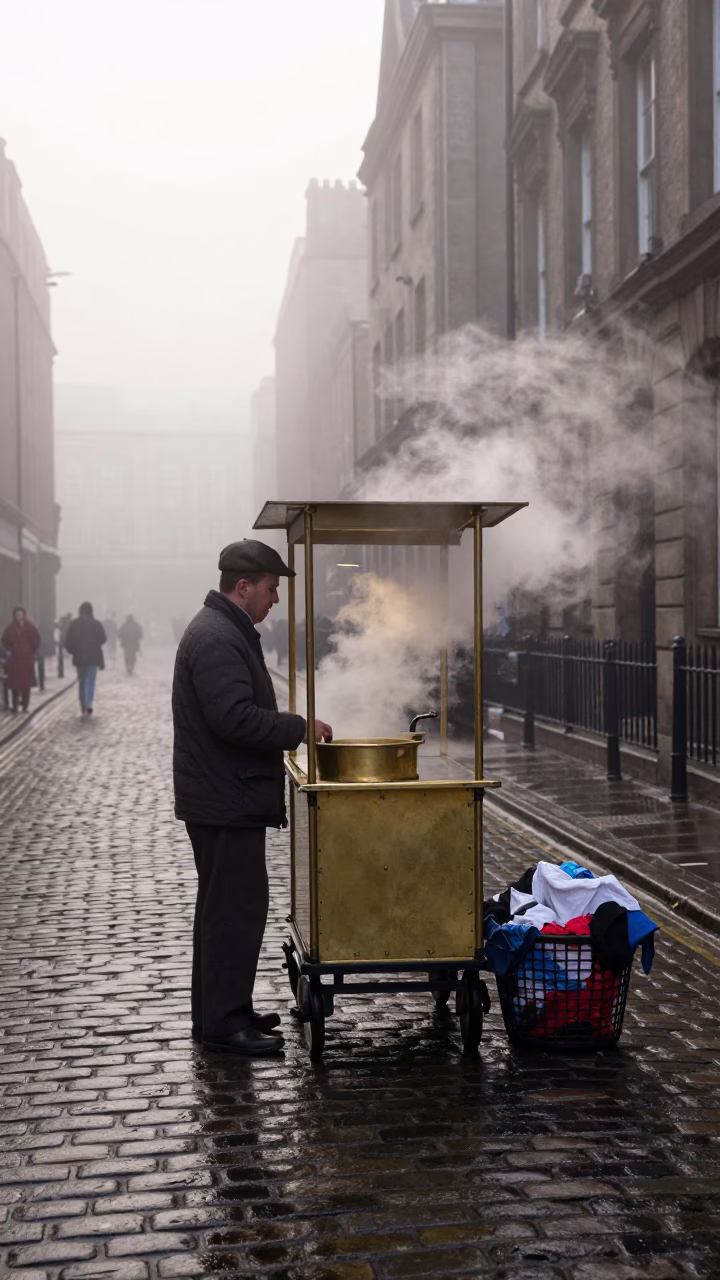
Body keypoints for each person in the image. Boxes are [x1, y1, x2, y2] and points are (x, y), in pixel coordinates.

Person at [172, 539, 333, 1057]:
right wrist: (298, 727)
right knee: (232, 913)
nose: (276, 599)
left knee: (225, 909)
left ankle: (224, 1011)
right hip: (225, 801)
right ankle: (223, 1026)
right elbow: (233, 717)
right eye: (271, 588)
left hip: (224, 797)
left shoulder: (223, 628)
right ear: (243, 588)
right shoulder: (218, 636)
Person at [64, 602, 106, 716]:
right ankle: (89, 703)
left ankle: (82, 703)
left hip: (79, 657)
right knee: (91, 681)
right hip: (93, 657)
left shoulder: (74, 624)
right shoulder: (97, 624)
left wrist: (73, 651)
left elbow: (68, 641)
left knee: (82, 681)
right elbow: (103, 639)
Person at [1, 607, 41, 713]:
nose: (19, 616)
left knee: (26, 684)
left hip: (27, 659)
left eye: (21, 614)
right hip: (14, 660)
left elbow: (36, 640)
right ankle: (14, 705)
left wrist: (32, 651)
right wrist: (9, 651)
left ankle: (25, 704)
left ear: (24, 615)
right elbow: (4, 641)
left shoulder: (30, 627)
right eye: (17, 614)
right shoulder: (10, 628)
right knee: (14, 684)